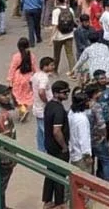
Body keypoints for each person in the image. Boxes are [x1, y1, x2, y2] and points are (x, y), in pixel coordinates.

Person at [42, 80, 71, 208]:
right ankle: (60, 203)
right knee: (60, 175)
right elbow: (57, 131)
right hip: (59, 149)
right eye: (65, 93)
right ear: (56, 93)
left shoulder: (49, 105)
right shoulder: (59, 109)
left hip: (49, 146)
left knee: (50, 173)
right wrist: (64, 146)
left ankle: (47, 200)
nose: (67, 95)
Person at [6, 37, 37, 122]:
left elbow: (12, 68)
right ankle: (23, 111)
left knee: (17, 97)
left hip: (18, 78)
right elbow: (34, 68)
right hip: (28, 78)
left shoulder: (16, 56)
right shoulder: (31, 56)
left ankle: (23, 111)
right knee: (26, 95)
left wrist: (9, 80)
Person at [68, 90, 94, 174]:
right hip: (81, 156)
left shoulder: (71, 113)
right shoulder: (82, 120)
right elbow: (84, 139)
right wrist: (87, 156)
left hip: (73, 152)